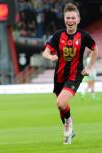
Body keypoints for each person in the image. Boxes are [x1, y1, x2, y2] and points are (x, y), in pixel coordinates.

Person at [42, 3, 98, 144]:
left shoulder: (84, 36)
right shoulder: (58, 35)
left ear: (78, 20)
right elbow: (46, 52)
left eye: (73, 18)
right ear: (64, 19)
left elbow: (95, 50)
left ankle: (67, 125)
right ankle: (69, 123)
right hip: (59, 75)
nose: (70, 20)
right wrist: (51, 57)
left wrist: (89, 67)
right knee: (61, 106)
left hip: (75, 75)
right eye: (68, 18)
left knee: (60, 102)